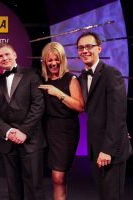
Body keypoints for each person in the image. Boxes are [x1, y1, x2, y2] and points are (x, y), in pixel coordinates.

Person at [77, 31, 132, 200]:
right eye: (81, 48)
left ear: (99, 48)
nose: (85, 50)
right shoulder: (81, 78)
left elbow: (117, 114)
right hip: (95, 149)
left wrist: (108, 150)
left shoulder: (111, 73)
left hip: (110, 151)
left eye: (89, 46)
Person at [0, 42, 46, 200]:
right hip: (6, 142)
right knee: (13, 187)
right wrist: (8, 131)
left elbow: (38, 106)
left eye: (7, 54)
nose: (4, 58)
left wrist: (24, 131)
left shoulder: (32, 75)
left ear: (15, 55)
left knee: (34, 186)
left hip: (31, 141)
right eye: (0, 56)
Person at [38, 42, 84, 200]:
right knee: (55, 178)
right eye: (49, 60)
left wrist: (58, 93)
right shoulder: (42, 79)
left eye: (56, 59)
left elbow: (80, 106)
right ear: (44, 61)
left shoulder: (70, 79)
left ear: (62, 60)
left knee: (58, 176)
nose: (53, 63)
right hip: (46, 130)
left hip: (65, 131)